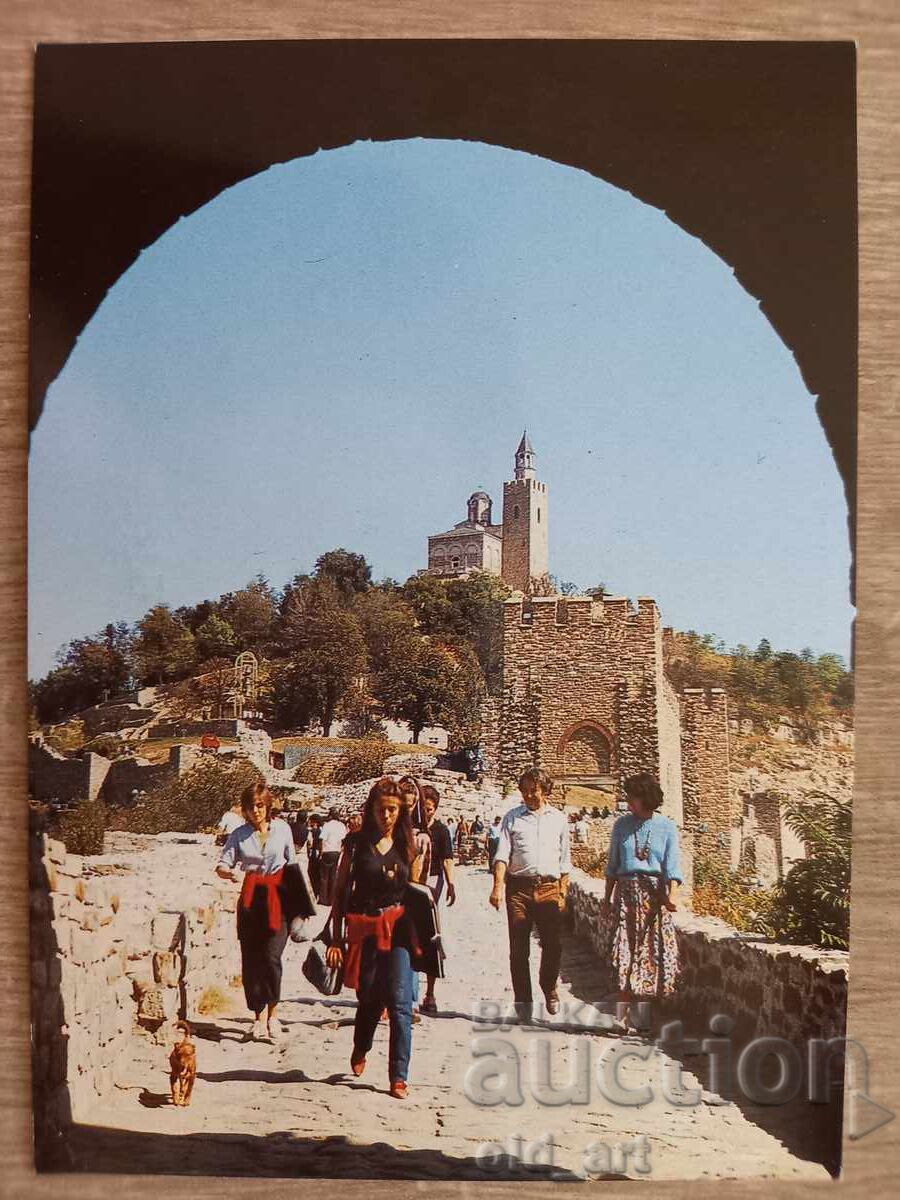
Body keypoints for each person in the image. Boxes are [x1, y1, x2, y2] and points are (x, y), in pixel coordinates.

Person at [325, 778, 418, 1099]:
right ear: (372, 810)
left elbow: (417, 892)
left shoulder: (409, 844)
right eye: (382, 810)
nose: (387, 816)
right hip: (364, 928)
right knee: (369, 1000)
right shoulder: (354, 844)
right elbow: (339, 892)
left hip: (400, 930)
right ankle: (361, 1046)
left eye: (393, 810)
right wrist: (335, 939)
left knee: (400, 1003)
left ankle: (399, 1076)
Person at [216, 782, 296, 1042]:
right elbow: (223, 863)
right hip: (251, 900)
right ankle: (258, 1017)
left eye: (260, 806)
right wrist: (229, 872)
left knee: (272, 957)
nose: (255, 812)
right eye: (251, 807)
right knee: (252, 961)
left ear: (268, 805)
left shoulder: (283, 830)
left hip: (278, 899)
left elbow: (292, 864)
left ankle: (273, 1013)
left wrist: (301, 906)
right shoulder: (238, 835)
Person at [490, 767, 571, 1018]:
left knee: (553, 945)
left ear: (544, 790)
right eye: (524, 791)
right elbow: (502, 854)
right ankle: (523, 1002)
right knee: (518, 947)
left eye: (533, 790)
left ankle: (549, 987)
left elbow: (565, 861)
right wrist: (497, 887)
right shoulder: (512, 818)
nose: (528, 796)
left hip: (549, 888)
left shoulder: (559, 819)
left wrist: (562, 894)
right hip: (518, 890)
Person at [601, 772, 681, 1026]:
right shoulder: (621, 826)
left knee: (651, 954)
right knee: (625, 951)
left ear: (646, 797)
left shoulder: (666, 827)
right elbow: (612, 865)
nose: (629, 802)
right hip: (626, 896)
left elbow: (673, 869)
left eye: (632, 797)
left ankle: (645, 1019)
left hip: (654, 898)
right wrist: (606, 898)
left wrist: (672, 897)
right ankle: (621, 1017)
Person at [418, 784, 456, 1014]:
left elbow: (447, 859)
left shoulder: (441, 831)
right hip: (410, 882)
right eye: (424, 807)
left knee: (431, 936)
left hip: (432, 884)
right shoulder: (409, 826)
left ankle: (430, 993)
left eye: (430, 808)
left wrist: (451, 883)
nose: (427, 811)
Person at [398, 776, 431, 1023]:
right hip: (387, 896)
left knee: (411, 948)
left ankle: (410, 1001)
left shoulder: (421, 837)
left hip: (409, 895)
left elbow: (420, 874)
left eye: (410, 806)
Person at [318, 808, 347, 904]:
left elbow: (322, 839)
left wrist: (321, 852)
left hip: (327, 851)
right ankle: (332, 898)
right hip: (336, 851)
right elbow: (344, 840)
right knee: (333, 876)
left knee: (324, 877)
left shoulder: (327, 825)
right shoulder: (342, 826)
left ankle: (323, 899)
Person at [307, 814, 322, 900]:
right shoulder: (319, 830)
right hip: (316, 854)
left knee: (313, 874)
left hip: (315, 854)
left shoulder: (316, 831)